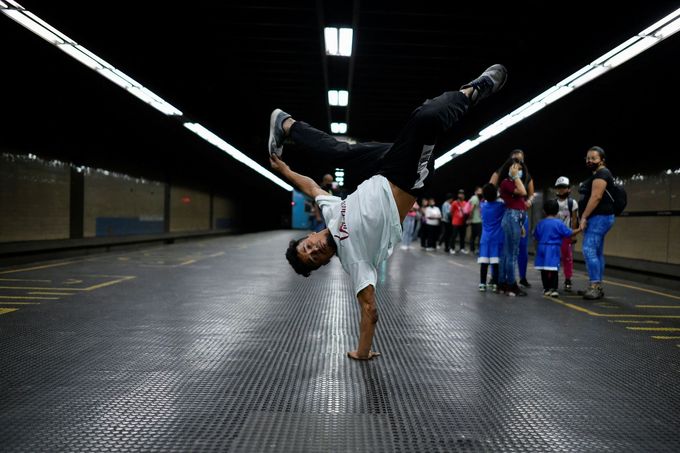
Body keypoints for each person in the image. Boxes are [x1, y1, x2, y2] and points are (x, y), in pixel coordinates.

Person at [267, 64, 508, 360]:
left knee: (337, 153)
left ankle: (286, 124)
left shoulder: (331, 214)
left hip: (383, 166)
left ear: (310, 235)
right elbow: (370, 310)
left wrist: (285, 169)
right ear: (326, 261)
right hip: (407, 178)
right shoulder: (355, 262)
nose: (315, 248)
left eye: (308, 246)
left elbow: (311, 188)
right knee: (426, 117)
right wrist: (362, 352)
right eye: (315, 256)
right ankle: (474, 90)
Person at [490, 149, 535, 287]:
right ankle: (498, 278)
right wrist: (500, 198)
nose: (518, 162)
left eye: (520, 160)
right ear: (509, 160)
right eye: (515, 159)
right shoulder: (501, 174)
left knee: (520, 247)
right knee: (503, 247)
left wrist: (529, 201)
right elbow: (490, 190)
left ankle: (521, 277)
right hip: (506, 212)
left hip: (520, 213)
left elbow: (530, 194)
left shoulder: (526, 175)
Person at [578, 146, 616, 300]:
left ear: (602, 160)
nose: (590, 161)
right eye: (588, 158)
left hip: (599, 217)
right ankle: (596, 286)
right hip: (602, 217)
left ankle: (594, 286)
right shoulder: (599, 174)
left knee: (588, 249)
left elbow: (596, 197)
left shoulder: (602, 173)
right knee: (597, 252)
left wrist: (584, 217)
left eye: (593, 158)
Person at [533, 199, 581, 297]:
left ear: (544, 211)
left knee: (544, 269)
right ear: (557, 211)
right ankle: (553, 289)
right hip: (553, 248)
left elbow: (536, 235)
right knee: (553, 269)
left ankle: (546, 288)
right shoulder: (559, 223)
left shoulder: (540, 223)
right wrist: (580, 229)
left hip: (542, 248)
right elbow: (569, 233)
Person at [497, 158, 528, 296]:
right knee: (512, 254)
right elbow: (523, 192)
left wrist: (521, 225)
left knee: (507, 253)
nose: (519, 171)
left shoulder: (511, 182)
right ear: (509, 169)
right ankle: (511, 285)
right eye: (516, 168)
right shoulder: (507, 183)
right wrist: (515, 176)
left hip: (515, 219)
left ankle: (502, 283)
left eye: (520, 169)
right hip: (512, 217)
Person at [477, 183, 504, 292]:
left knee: (484, 262)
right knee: (495, 261)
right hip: (497, 237)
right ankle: (495, 284)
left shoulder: (483, 205)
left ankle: (482, 283)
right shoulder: (500, 206)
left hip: (485, 238)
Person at [554, 176, 579, 291]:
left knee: (567, 257)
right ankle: (552, 278)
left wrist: (573, 234)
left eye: (563, 187)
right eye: (559, 187)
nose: (561, 190)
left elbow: (574, 219)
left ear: (568, 189)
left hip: (566, 235)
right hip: (555, 235)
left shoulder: (572, 203)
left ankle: (568, 279)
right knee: (553, 257)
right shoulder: (553, 203)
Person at [449, 189, 469, 254]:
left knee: (462, 236)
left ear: (464, 196)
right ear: (458, 195)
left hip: (463, 222)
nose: (461, 195)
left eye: (462, 194)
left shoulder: (465, 203)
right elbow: (451, 212)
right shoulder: (455, 202)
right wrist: (455, 217)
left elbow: (467, 212)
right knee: (454, 236)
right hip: (455, 222)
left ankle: (462, 248)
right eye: (460, 194)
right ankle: (452, 248)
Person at [467, 186, 483, 254]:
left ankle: (474, 249)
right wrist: (469, 218)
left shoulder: (478, 198)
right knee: (476, 236)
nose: (481, 192)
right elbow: (471, 210)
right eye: (479, 191)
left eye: (481, 191)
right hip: (476, 220)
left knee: (476, 236)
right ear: (475, 191)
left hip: (478, 220)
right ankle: (473, 249)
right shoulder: (475, 198)